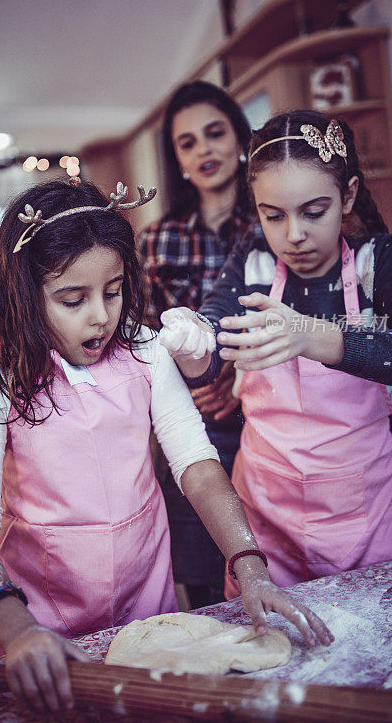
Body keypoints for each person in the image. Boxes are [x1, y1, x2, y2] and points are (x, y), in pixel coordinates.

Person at [0, 176, 333, 715]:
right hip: (37, 626)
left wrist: (249, 564)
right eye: (72, 299)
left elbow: (196, 465)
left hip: (149, 616)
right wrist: (17, 629)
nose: (101, 315)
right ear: (25, 295)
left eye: (114, 289)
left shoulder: (146, 353)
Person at [159, 109, 392, 596]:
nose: (293, 235)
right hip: (265, 517)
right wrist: (194, 343)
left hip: (366, 516)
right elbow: (218, 334)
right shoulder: (253, 260)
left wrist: (317, 336)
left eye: (313, 211)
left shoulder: (377, 260)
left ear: (348, 195)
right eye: (272, 215)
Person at [138, 81, 255, 607]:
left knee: (267, 564)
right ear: (177, 159)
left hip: (265, 423)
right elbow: (140, 338)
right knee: (208, 587)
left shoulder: (273, 223)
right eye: (188, 142)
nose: (204, 150)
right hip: (188, 429)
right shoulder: (155, 238)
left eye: (214, 133)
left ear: (239, 140)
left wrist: (238, 376)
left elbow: (300, 320)